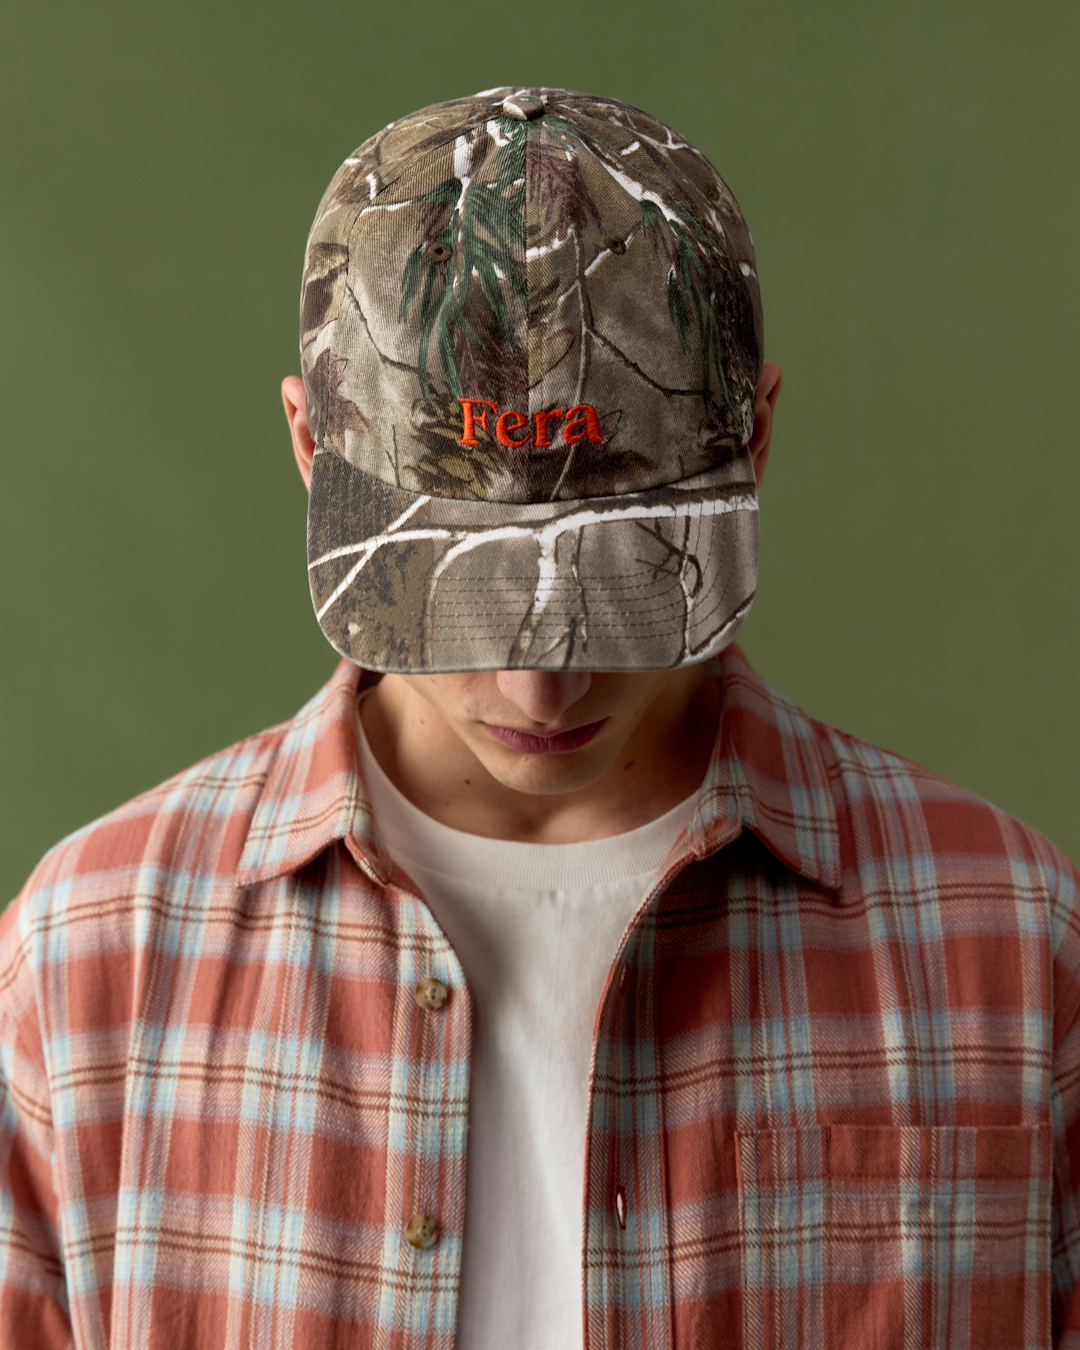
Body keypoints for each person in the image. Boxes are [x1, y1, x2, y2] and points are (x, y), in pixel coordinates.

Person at [1, 85, 1077, 1350]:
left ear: (759, 440)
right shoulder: (83, 968)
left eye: (624, 579)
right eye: (452, 583)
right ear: (310, 450)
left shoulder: (1014, 949)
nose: (538, 685)